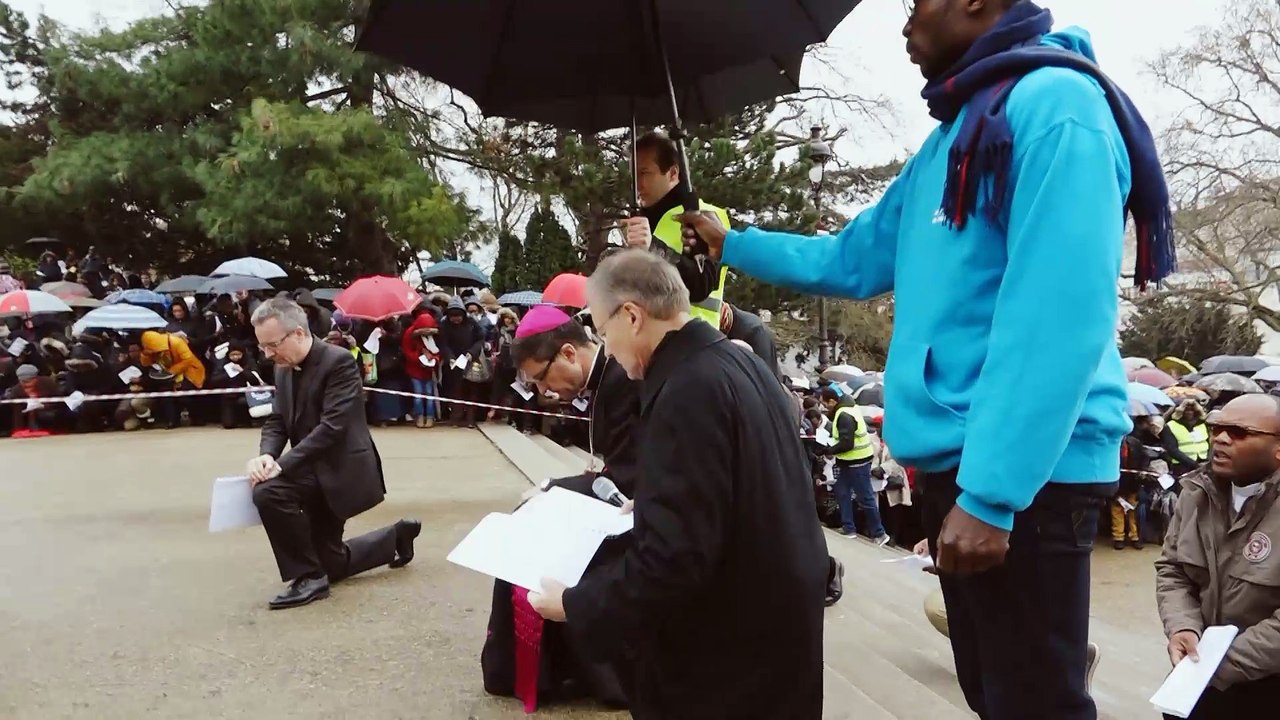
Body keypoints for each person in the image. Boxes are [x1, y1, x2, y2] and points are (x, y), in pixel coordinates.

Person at [679, 2, 1176, 717]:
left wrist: (992, 495)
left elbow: (1057, 315)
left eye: (916, 6)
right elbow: (852, 258)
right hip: (961, 463)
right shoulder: (952, 136)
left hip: (1028, 478)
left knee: (1032, 703)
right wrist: (735, 241)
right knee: (995, 693)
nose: (904, 26)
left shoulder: (1058, 106)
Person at [527, 250, 828, 719]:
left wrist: (574, 604)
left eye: (603, 332)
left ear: (631, 316)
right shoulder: (738, 362)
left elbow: (675, 559)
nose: (605, 345)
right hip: (782, 630)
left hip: (726, 653)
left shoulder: (687, 387)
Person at [244, 297, 421, 610]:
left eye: (273, 345)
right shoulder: (284, 369)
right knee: (333, 563)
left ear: (298, 333)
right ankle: (395, 538)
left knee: (270, 492)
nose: (268, 354)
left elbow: (333, 428)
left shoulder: (338, 362)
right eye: (263, 347)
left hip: (340, 471)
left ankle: (309, 577)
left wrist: (281, 467)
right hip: (309, 467)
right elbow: (277, 420)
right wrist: (266, 456)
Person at [1156, 394, 1280, 719]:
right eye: (1217, 428)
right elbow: (1173, 571)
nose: (1221, 438)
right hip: (1197, 679)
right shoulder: (1195, 494)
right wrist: (1183, 628)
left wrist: (1221, 663)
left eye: (1239, 432)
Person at [617, 130, 731, 326]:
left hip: (694, 342)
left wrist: (653, 248)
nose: (637, 184)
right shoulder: (643, 219)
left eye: (644, 173)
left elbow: (701, 286)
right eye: (634, 175)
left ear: (673, 173)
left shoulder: (704, 215)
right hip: (651, 343)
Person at [819, 385, 891, 545]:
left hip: (857, 461)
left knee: (865, 497)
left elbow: (847, 443)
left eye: (825, 404)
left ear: (832, 401)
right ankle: (848, 527)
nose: (824, 407)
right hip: (849, 461)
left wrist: (830, 449)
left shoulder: (844, 414)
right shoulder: (848, 408)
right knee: (842, 491)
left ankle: (879, 533)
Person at [402, 305, 441, 429]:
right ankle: (419, 416)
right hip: (415, 370)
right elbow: (407, 351)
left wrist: (434, 359)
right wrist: (420, 357)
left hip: (429, 371)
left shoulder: (435, 336)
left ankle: (430, 416)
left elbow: (439, 351)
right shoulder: (410, 333)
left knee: (429, 394)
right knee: (418, 394)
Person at [1164, 400, 1210, 477]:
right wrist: (1194, 464)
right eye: (1186, 410)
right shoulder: (1171, 425)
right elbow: (1172, 450)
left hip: (1204, 464)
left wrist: (1208, 461)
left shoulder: (1202, 424)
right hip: (1182, 466)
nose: (1189, 412)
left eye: (1192, 410)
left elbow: (1209, 443)